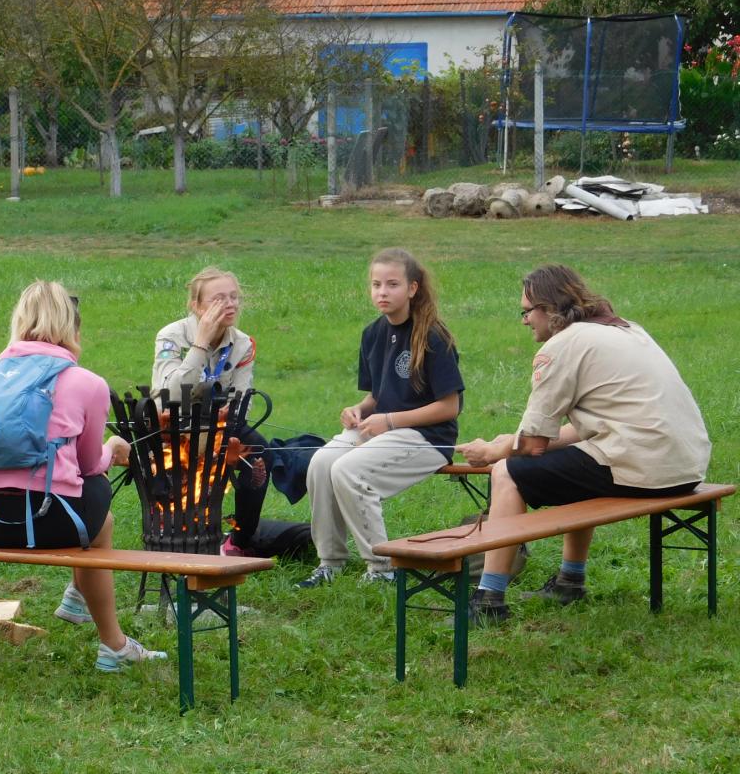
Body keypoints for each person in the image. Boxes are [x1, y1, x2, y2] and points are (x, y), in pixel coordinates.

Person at [457, 264, 710, 623]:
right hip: (685, 467)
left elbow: (532, 444)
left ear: (550, 309)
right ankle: (570, 582)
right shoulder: (626, 329)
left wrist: (496, 450)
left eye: (527, 312)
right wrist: (513, 440)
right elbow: (592, 429)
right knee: (577, 462)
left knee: (506, 473)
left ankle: (489, 600)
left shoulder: (563, 345)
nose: (525, 321)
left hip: (644, 468)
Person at [0, 281, 166, 672]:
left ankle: (81, 605)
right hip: (51, 521)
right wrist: (113, 449)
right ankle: (110, 641)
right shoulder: (87, 383)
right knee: (97, 495)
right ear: (72, 325)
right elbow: (89, 465)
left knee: (101, 524)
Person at [298, 248, 464, 588]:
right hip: (384, 431)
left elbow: (450, 407)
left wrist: (389, 421)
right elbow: (378, 395)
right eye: (376, 285)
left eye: (392, 284)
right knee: (321, 463)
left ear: (412, 288)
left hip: (429, 438)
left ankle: (382, 568)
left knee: (348, 470)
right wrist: (359, 410)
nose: (382, 292)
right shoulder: (372, 333)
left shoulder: (433, 336)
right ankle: (330, 562)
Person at [152, 268, 270, 556]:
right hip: (171, 426)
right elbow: (172, 394)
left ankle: (240, 539)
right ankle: (173, 530)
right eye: (219, 299)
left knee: (260, 452)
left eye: (234, 297)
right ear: (196, 305)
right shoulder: (171, 336)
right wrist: (200, 344)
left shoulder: (242, 343)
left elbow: (242, 401)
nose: (230, 304)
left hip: (219, 424)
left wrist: (226, 417)